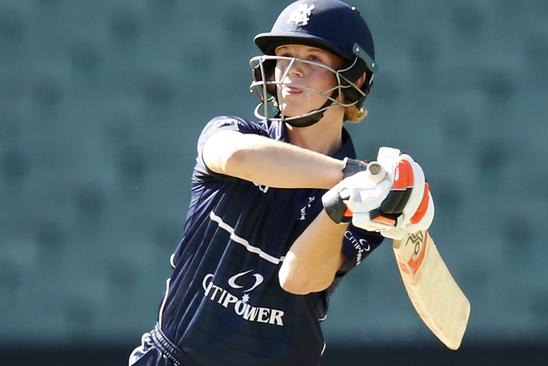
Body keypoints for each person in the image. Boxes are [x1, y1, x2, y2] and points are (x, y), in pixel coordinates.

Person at [129, 1, 433, 365]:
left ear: (355, 79)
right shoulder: (232, 132)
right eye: (285, 56)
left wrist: (343, 203)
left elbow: (298, 278)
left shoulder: (367, 204)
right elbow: (239, 158)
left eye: (314, 59)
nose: (292, 71)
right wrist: (351, 175)